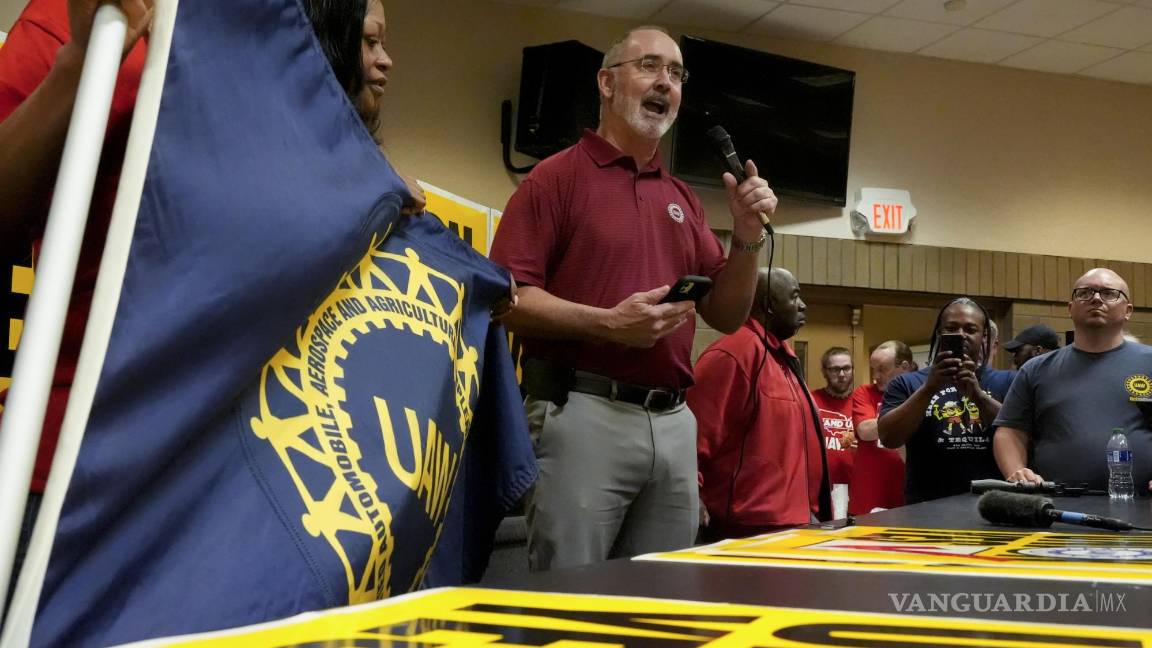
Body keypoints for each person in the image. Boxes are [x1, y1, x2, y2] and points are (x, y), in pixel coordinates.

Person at [490, 25, 776, 570]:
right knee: (571, 601)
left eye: (675, 73)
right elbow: (508, 301)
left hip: (672, 422)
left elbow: (728, 312)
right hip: (582, 413)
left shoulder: (682, 198)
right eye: (648, 66)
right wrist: (607, 323)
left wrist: (744, 235)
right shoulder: (555, 179)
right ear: (606, 82)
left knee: (662, 604)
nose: (664, 83)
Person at [690, 268, 830, 541]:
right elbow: (695, 432)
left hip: (795, 522)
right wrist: (691, 493)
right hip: (745, 527)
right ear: (768, 305)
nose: (803, 305)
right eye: (794, 297)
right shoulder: (734, 353)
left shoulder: (782, 357)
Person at [994, 268, 1152, 494]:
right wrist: (1017, 472)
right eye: (1085, 293)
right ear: (1070, 308)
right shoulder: (1035, 369)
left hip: (1144, 505)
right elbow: (1010, 431)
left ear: (1128, 311)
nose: (1096, 298)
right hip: (1056, 506)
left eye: (1109, 293)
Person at [877, 298, 1015, 503]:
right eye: (951, 328)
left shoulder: (1009, 381)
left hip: (994, 506)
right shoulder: (906, 383)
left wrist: (978, 395)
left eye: (970, 329)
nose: (961, 335)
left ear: (983, 336)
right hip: (927, 507)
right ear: (940, 334)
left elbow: (1022, 435)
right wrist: (929, 388)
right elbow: (889, 438)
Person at [848, 340, 913, 514]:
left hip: (908, 492)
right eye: (873, 369)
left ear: (904, 366)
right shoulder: (864, 392)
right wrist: (911, 415)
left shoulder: (920, 391)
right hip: (869, 495)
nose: (875, 376)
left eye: (882, 369)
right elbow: (865, 431)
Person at [810, 346, 857, 487]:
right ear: (824, 372)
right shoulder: (810, 400)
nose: (842, 374)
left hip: (855, 484)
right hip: (819, 485)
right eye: (835, 369)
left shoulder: (863, 401)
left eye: (846, 368)